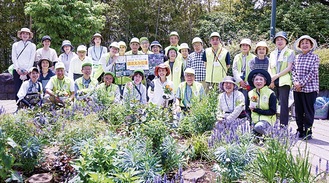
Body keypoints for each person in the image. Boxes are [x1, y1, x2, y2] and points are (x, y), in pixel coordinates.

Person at [292, 35, 319, 140]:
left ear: (311, 45)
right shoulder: (297, 57)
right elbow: (293, 71)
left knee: (308, 111)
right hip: (297, 89)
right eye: (302, 43)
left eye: (307, 43)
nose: (305, 45)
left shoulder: (314, 57)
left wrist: (301, 83)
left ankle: (308, 131)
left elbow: (313, 72)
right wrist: (295, 82)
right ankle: (300, 130)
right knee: (298, 111)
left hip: (310, 89)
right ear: (299, 46)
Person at [269, 31, 295, 127]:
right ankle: (272, 123)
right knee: (272, 102)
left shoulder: (290, 52)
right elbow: (270, 67)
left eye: (282, 39)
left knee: (284, 104)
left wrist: (277, 76)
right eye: (277, 39)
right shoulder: (272, 53)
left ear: (286, 41)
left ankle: (283, 125)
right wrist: (271, 79)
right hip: (273, 80)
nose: (279, 41)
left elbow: (289, 67)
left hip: (284, 81)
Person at [247, 69, 276, 135]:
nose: (258, 81)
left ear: (265, 82)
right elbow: (247, 109)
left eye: (261, 79)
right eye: (256, 79)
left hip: (266, 120)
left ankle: (271, 135)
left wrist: (257, 110)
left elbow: (273, 111)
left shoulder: (271, 93)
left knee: (258, 127)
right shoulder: (250, 93)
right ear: (253, 82)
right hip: (254, 120)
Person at [12, 27, 36, 101]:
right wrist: (17, 69)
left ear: (29, 35)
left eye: (27, 34)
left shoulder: (32, 46)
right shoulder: (15, 45)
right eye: (23, 33)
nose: (25, 35)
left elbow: (32, 58)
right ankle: (18, 104)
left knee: (28, 88)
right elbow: (14, 57)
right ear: (20, 35)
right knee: (17, 88)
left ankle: (28, 105)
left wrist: (28, 70)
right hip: (17, 70)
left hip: (28, 71)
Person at [232, 38, 255, 117]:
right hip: (239, 83)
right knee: (240, 101)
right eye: (243, 45)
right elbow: (234, 69)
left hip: (250, 84)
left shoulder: (253, 57)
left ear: (249, 47)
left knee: (250, 101)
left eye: (246, 45)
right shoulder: (237, 57)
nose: (244, 47)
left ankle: (249, 118)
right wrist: (240, 80)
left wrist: (248, 82)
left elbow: (254, 71)